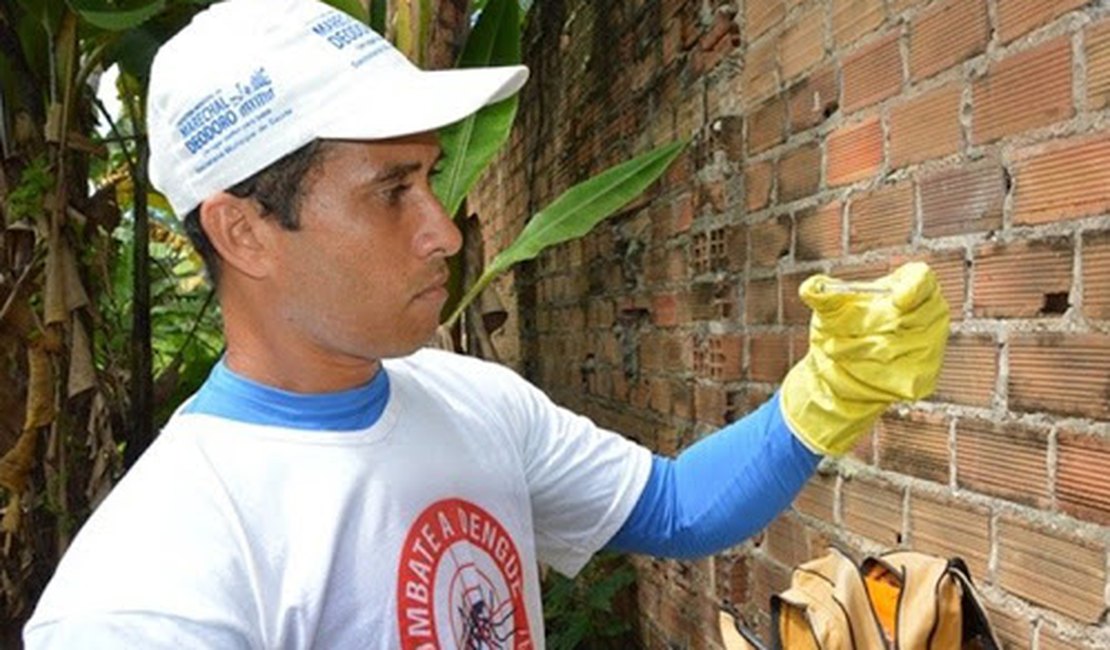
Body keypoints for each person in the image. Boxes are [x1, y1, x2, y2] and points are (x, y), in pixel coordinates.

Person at [23, 0, 950, 647]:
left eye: (428, 177)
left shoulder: (473, 400)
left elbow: (675, 508)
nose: (443, 229)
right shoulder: (152, 584)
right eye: (393, 191)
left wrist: (828, 392)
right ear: (245, 231)